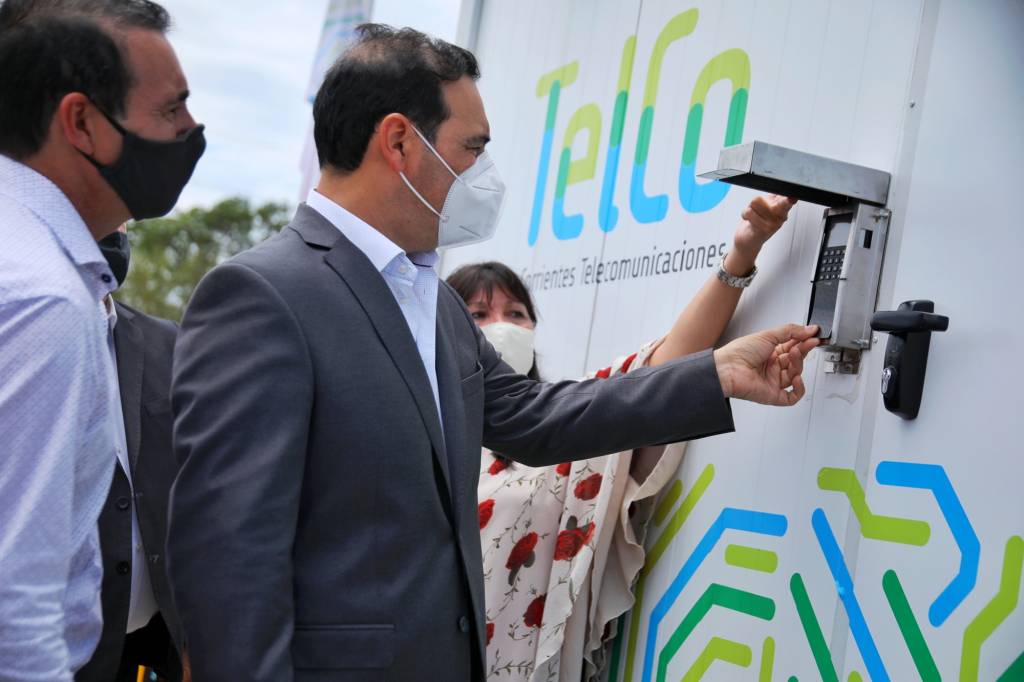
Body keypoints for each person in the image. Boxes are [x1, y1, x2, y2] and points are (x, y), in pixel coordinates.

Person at [166, 24, 817, 681]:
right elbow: (228, 567)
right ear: (399, 142)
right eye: (471, 149)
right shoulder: (263, 296)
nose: (483, 174)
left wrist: (715, 374)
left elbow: (535, 418)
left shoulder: (431, 301)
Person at [448, 195, 796, 681]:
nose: (501, 327)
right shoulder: (421, 436)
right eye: (478, 315)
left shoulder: (556, 429)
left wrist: (742, 253)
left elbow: (656, 378)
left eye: (516, 313)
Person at [0, 1, 203, 678]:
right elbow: (15, 601)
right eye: (171, 108)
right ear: (82, 122)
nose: (190, 129)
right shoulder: (44, 299)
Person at [75, 226, 184, 682]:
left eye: (122, 221)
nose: (113, 230)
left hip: (152, 649)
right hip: (55, 654)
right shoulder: (20, 340)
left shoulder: (168, 343)